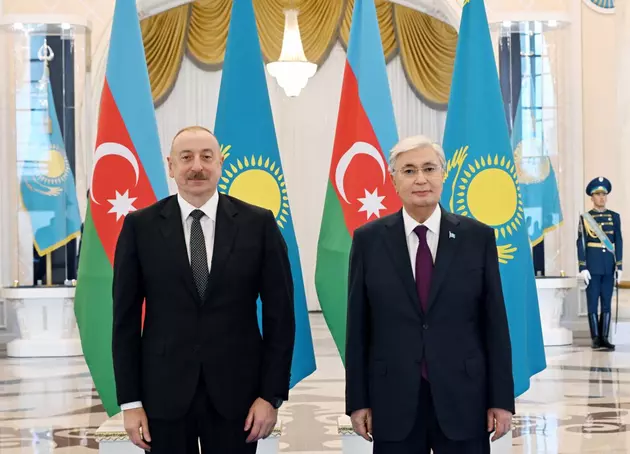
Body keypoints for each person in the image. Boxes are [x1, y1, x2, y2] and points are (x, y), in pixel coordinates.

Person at [112, 125, 295, 453]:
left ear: (220, 163)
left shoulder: (258, 225)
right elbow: (124, 321)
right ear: (171, 166)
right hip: (162, 398)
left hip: (239, 399)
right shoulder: (140, 227)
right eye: (186, 157)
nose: (197, 166)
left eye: (206, 157)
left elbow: (281, 318)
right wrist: (130, 402)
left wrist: (270, 396)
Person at [345, 135, 515, 454]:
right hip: (392, 398)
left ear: (443, 174)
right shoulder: (368, 240)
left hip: (465, 398)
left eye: (429, 168)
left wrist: (501, 399)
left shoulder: (477, 238)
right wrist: (357, 401)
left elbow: (494, 323)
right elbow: (358, 327)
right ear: (393, 180)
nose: (420, 179)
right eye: (409, 170)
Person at [577, 177, 622, 351]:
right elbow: (580, 243)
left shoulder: (614, 217)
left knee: (606, 303)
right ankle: (595, 338)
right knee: (592, 302)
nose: (602, 198)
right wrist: (582, 267)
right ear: (592, 197)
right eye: (598, 194)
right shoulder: (585, 218)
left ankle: (604, 338)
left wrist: (619, 265)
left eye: (604, 194)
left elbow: (619, 241)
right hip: (593, 266)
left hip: (608, 266)